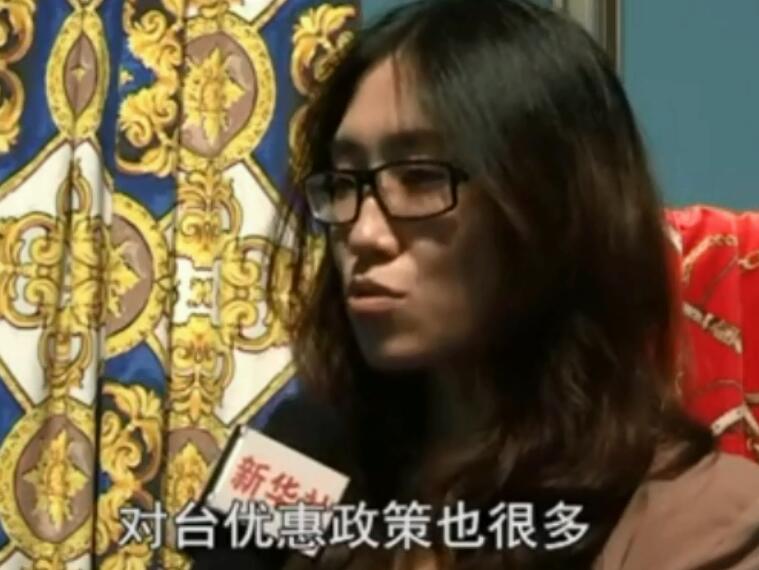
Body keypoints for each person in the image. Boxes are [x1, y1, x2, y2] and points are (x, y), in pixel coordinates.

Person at [266, 0, 759, 568]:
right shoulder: (304, 461)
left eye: (420, 178)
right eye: (344, 182)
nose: (364, 233)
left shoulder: (700, 523)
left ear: (554, 208)